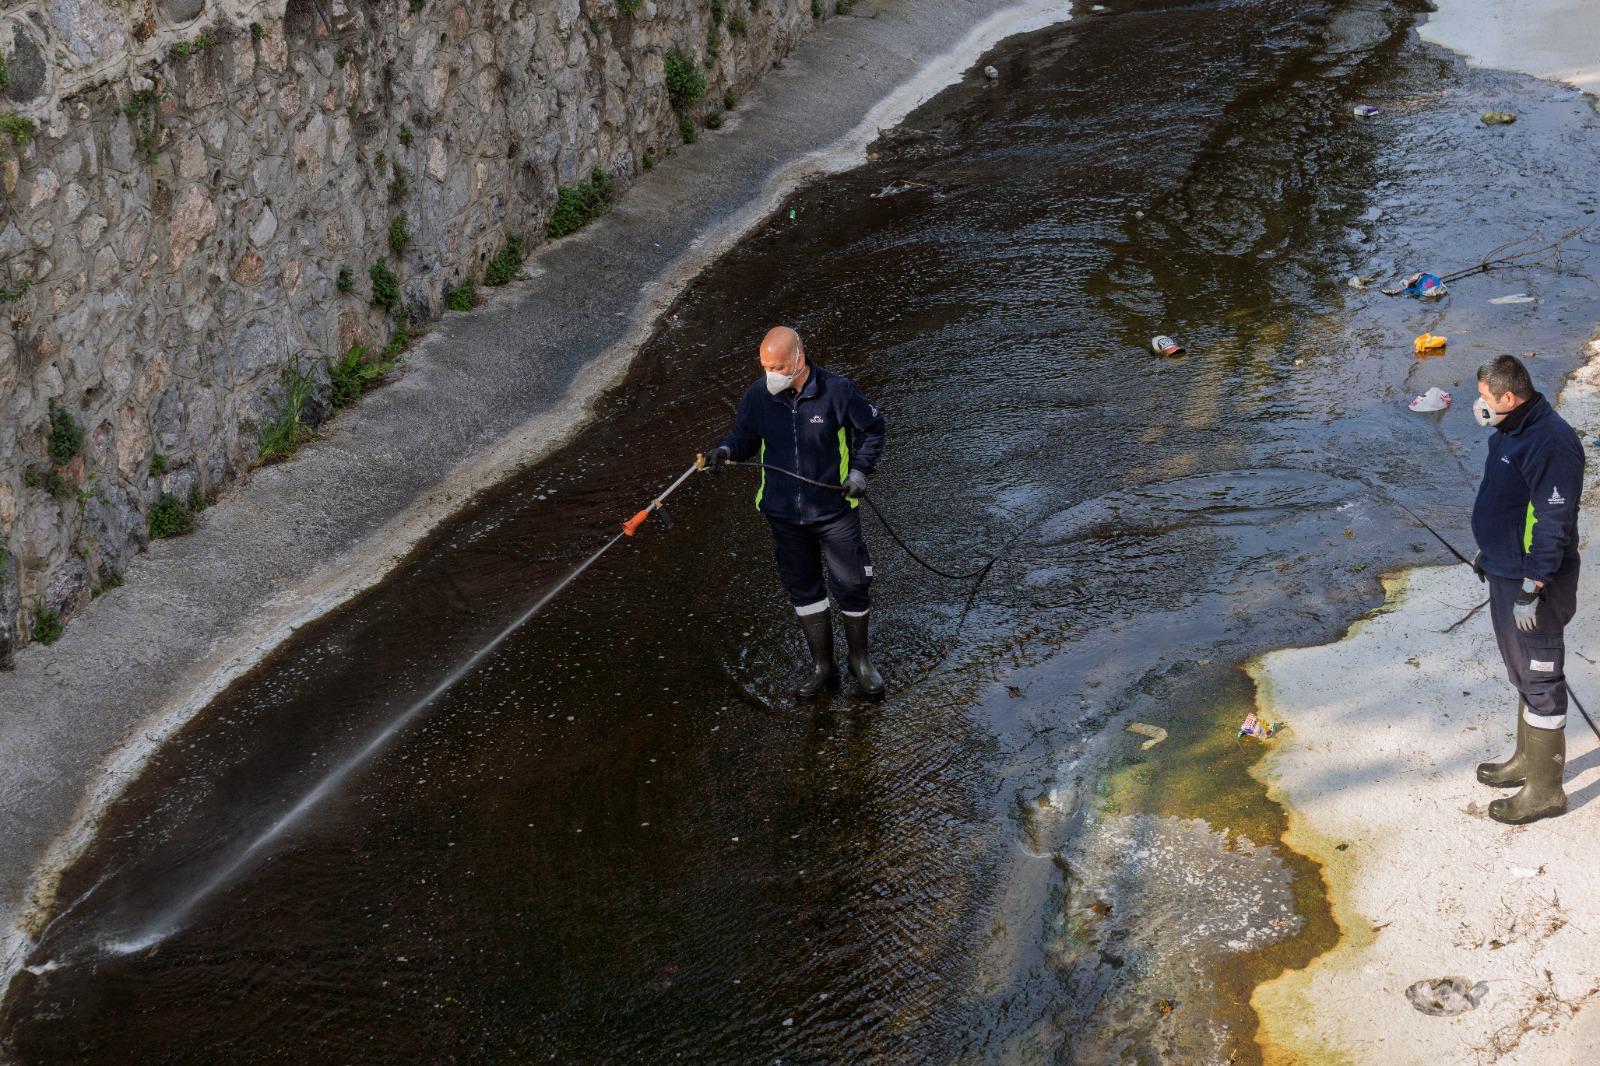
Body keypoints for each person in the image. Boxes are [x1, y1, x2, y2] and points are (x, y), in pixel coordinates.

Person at [705, 326, 888, 701]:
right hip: (783, 514)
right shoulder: (758, 396)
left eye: (777, 366)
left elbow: (873, 428)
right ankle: (823, 666)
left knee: (852, 583)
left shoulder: (838, 390)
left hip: (834, 511)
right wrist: (724, 451)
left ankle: (860, 661)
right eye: (765, 367)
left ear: (799, 359)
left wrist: (859, 471)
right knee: (803, 588)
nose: (770, 374)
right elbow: (744, 438)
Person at [1470, 354, 1585, 825]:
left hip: (1534, 584)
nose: (1481, 407)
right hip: (1505, 571)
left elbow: (1552, 522)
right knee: (1521, 671)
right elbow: (1509, 505)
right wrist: (1491, 553)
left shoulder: (1552, 443)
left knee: (1540, 677)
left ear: (1509, 398)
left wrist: (1533, 584)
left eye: (1485, 399)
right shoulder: (1511, 431)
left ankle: (1545, 791)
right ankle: (1525, 761)